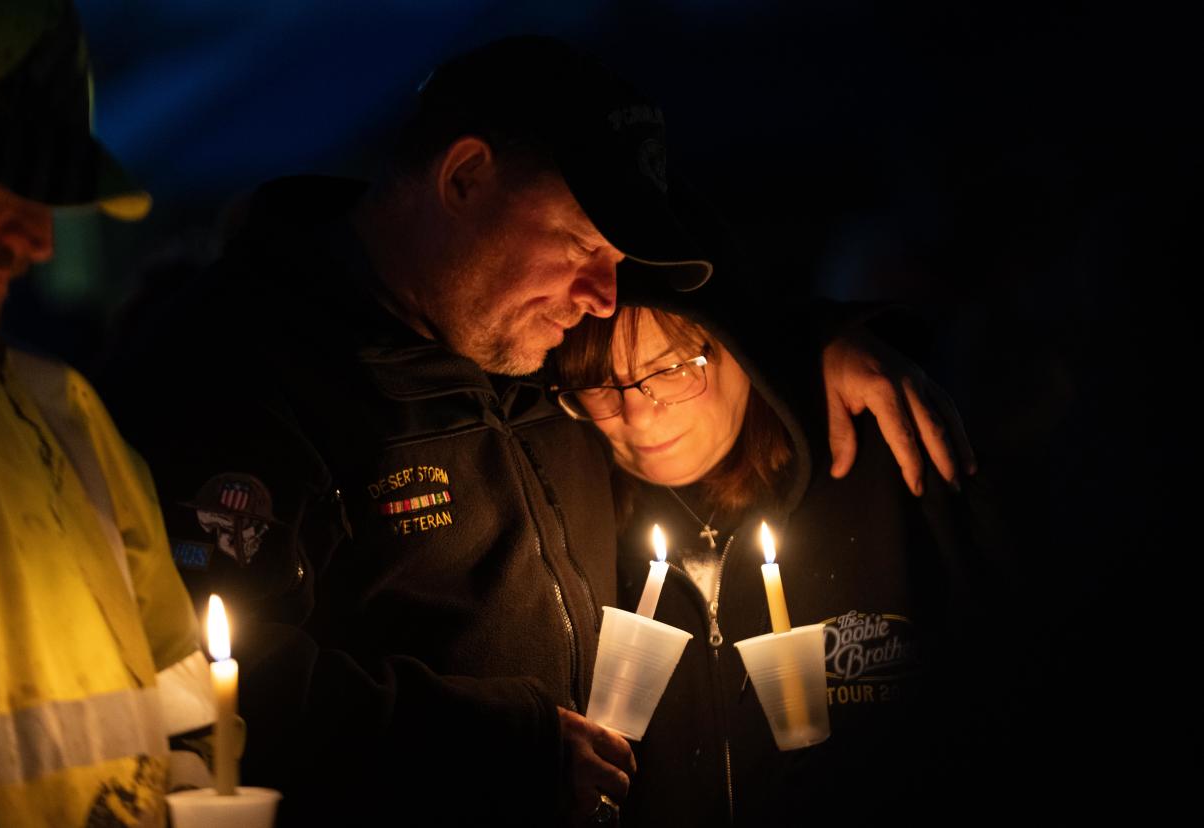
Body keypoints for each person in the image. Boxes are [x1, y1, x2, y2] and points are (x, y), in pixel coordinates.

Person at [99, 36, 975, 825]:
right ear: (465, 178)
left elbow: (693, 347)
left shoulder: (516, 334)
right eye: (582, 244)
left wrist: (816, 343)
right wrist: (494, 748)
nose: (602, 299)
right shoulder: (234, 368)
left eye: (618, 267)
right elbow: (186, 679)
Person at [551, 297, 1002, 825]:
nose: (635, 413)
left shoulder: (883, 466)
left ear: (737, 346)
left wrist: (824, 334)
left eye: (670, 369)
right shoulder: (571, 522)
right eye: (599, 384)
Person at [0, 2, 214, 825]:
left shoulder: (61, 411)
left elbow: (189, 705)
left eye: (50, 196)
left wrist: (206, 783)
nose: (36, 240)